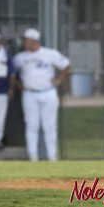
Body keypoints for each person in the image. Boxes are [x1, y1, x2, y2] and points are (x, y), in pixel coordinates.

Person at [12, 28, 69, 161]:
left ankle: (52, 156)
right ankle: (33, 157)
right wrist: (18, 84)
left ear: (34, 41)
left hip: (48, 92)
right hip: (29, 93)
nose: (24, 42)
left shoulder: (49, 53)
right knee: (31, 125)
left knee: (50, 125)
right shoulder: (20, 57)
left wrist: (59, 79)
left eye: (26, 40)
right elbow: (11, 73)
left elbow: (65, 65)